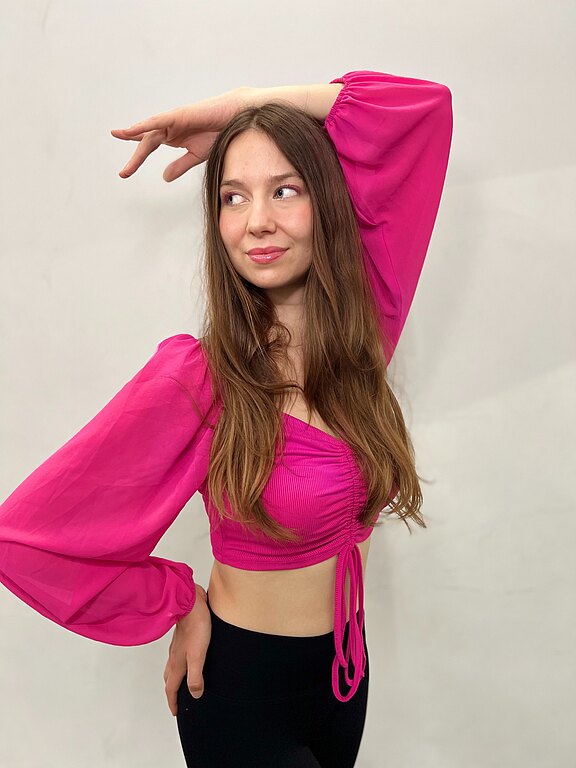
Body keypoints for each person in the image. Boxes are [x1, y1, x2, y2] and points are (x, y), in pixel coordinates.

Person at [0, 70, 453, 767]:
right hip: (241, 693)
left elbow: (421, 111)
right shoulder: (200, 379)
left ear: (328, 203)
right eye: (232, 197)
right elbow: (21, 539)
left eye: (285, 190)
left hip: (345, 680)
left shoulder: (366, 333)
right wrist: (179, 600)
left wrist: (239, 110)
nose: (256, 221)